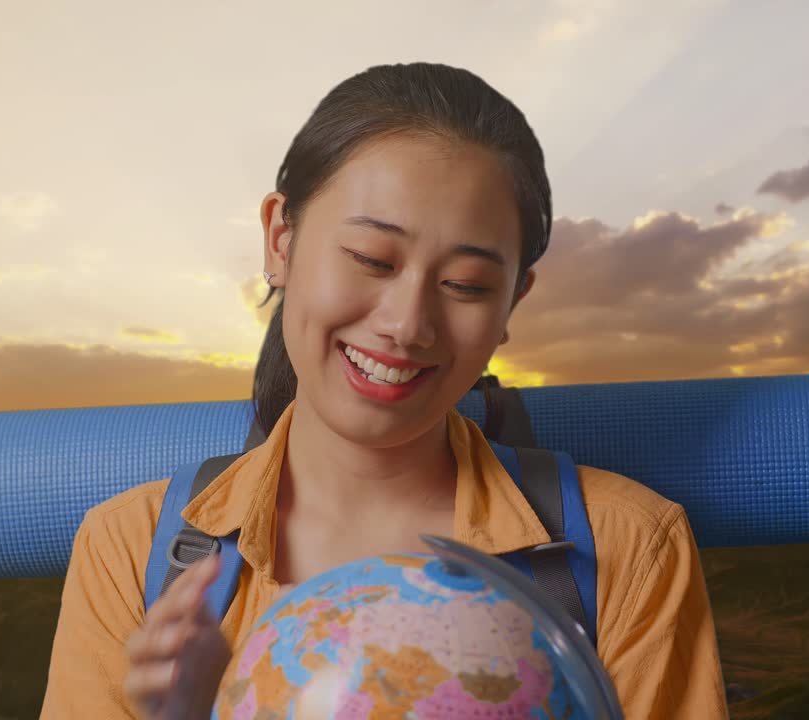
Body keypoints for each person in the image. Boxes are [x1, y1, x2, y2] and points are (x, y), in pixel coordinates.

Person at [39, 62, 729, 719]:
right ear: (281, 239)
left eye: (466, 285)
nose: (407, 325)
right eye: (373, 260)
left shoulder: (629, 549)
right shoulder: (131, 551)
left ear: (513, 301)